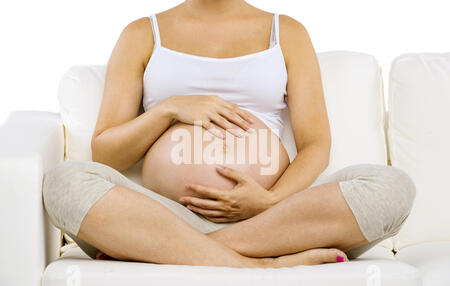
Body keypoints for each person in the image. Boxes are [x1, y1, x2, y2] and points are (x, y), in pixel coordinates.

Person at [43, 0, 416, 268]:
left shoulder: (286, 32)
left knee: (391, 187)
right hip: (165, 215)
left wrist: (269, 202)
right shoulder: (142, 33)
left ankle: (172, 251)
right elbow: (105, 154)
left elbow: (316, 145)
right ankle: (260, 265)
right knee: (65, 183)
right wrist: (169, 109)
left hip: (272, 219)